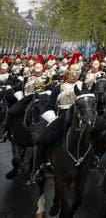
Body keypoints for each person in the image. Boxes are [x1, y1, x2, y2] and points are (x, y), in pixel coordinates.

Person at [32, 52, 84, 181]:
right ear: (68, 73)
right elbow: (50, 106)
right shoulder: (58, 87)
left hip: (79, 116)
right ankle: (38, 168)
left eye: (77, 74)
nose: (75, 76)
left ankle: (95, 158)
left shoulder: (84, 86)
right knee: (43, 139)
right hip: (61, 116)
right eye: (73, 74)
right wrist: (52, 119)